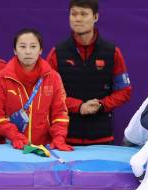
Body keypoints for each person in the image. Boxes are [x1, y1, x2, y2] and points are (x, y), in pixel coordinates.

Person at [47, 0, 131, 146]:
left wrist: (102, 104)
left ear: (96, 17)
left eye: (83, 14)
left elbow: (124, 91)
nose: (77, 18)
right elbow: (48, 94)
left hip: (102, 139)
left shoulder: (112, 52)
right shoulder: (57, 53)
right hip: (64, 140)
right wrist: (79, 106)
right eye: (73, 14)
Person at [0, 29, 73, 151]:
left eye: (33, 46)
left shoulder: (53, 77)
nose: (28, 51)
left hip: (43, 148)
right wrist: (14, 135)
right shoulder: (2, 78)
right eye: (22, 47)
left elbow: (60, 113)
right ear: (15, 50)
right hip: (10, 147)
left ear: (40, 50)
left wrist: (59, 137)